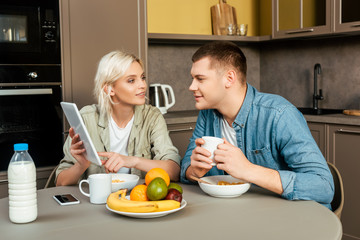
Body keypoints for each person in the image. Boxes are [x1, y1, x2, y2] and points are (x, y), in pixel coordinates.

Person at [180, 41, 334, 209]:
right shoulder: (207, 114)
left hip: (289, 217)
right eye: (192, 79)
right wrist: (193, 170)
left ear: (229, 78)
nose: (191, 86)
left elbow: (323, 186)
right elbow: (187, 165)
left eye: (200, 79)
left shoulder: (279, 114)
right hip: (238, 214)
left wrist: (248, 170)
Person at [56, 50, 180, 186]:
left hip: (138, 199)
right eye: (131, 80)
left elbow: (174, 171)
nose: (143, 85)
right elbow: (60, 183)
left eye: (142, 77)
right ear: (109, 89)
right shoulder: (87, 118)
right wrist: (82, 165)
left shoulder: (152, 117)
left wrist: (133, 161)